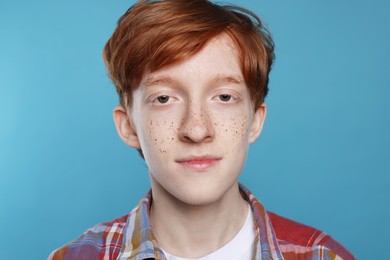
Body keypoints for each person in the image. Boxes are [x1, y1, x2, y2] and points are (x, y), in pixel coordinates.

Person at [49, 0, 355, 259]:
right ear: (128, 126)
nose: (196, 130)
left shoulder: (322, 255)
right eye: (164, 98)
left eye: (224, 97)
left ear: (255, 120)